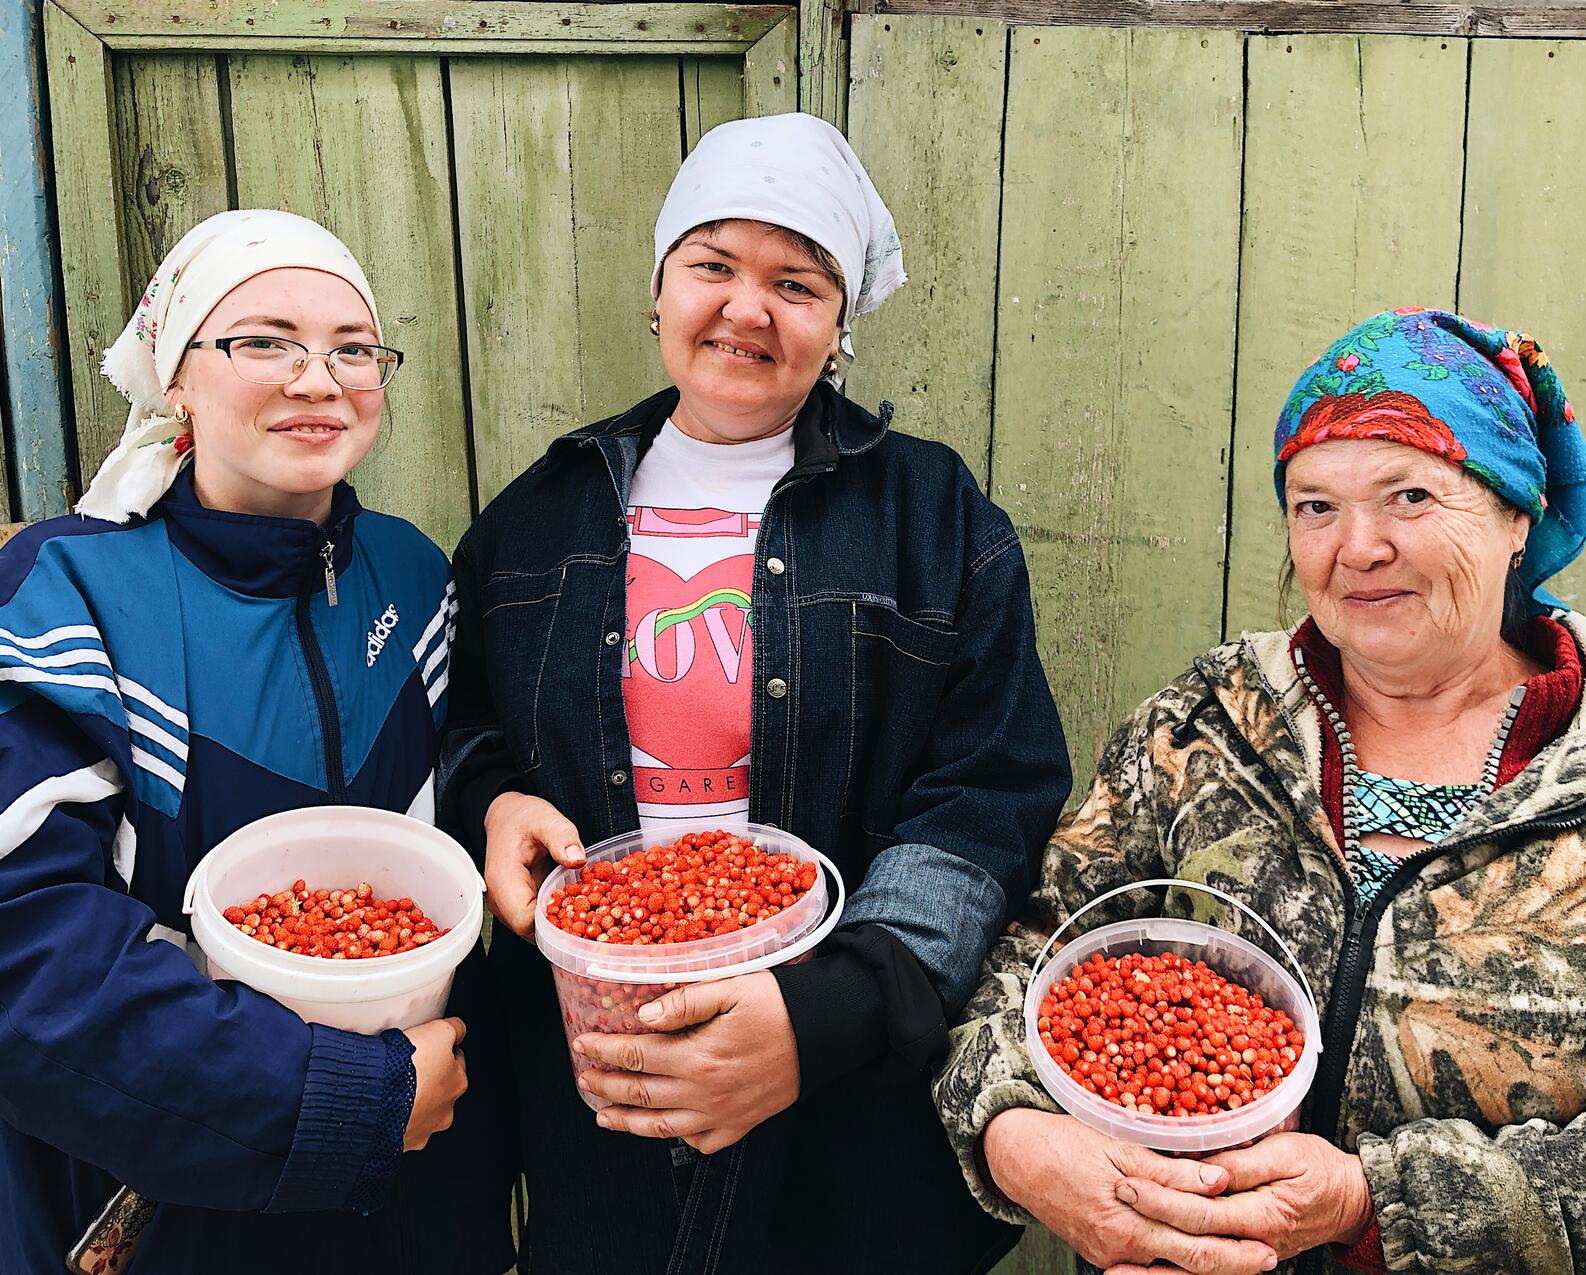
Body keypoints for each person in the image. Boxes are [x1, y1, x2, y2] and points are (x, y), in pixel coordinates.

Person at [934, 308, 1586, 1274]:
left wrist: (1365, 1200)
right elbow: (1031, 945)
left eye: (1410, 494)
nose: (1359, 545)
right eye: (1315, 505)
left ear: (1517, 516)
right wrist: (1011, 1130)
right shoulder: (1205, 722)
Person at [438, 113, 1072, 1273]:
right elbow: (461, 712)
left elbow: (990, 788)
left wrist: (825, 1013)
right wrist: (488, 797)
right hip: (601, 1068)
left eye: (795, 282)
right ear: (659, 287)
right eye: (712, 265)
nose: (746, 308)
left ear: (837, 328)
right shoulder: (538, 520)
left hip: (845, 1087)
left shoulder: (933, 518)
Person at [0, 210, 513, 1274]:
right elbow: (26, 955)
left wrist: (500, 797)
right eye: (263, 340)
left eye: (351, 347)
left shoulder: (413, 579)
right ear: (176, 378)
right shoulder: (69, 599)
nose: (318, 379)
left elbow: (443, 803)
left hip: (407, 1198)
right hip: (157, 1209)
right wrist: (353, 1103)